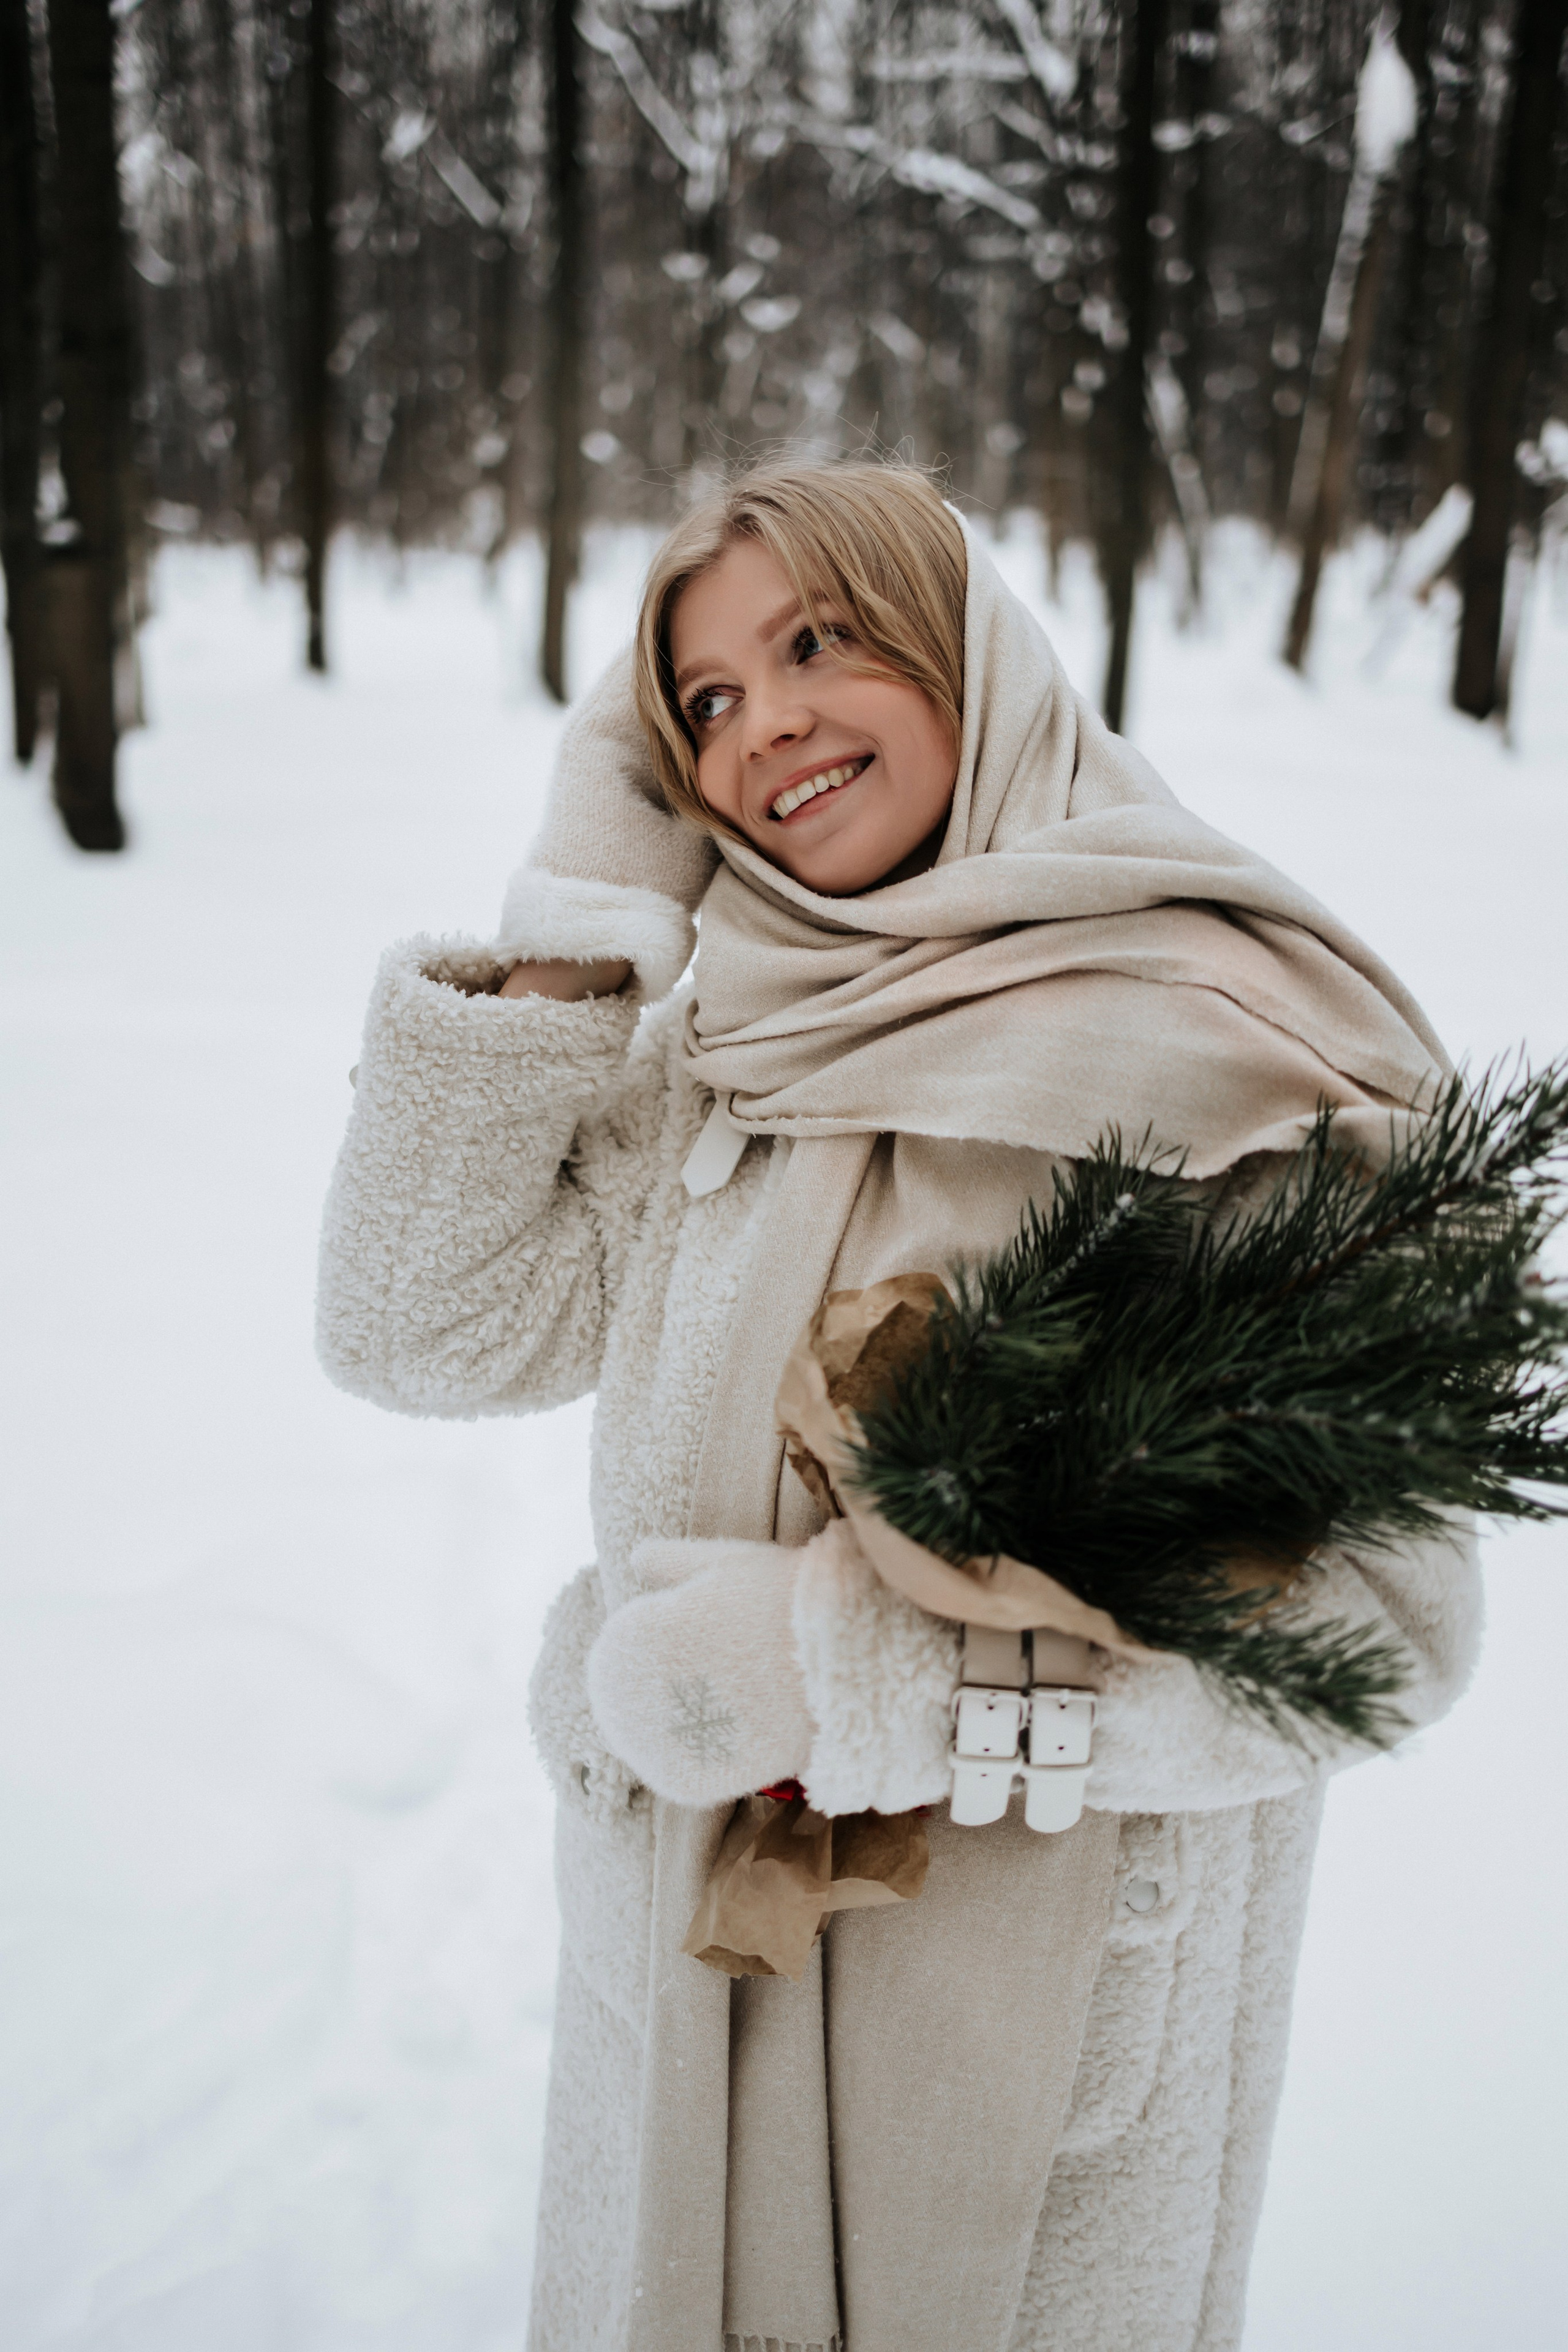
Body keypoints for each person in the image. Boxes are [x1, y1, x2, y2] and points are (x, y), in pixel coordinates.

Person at [317, 461, 1480, 2352]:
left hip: (1045, 2071)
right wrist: (574, 934)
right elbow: (418, 1330)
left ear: (964, 649)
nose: (762, 725)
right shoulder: (724, 1048)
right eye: (702, 702)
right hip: (693, 2002)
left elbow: (1382, 1637)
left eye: (819, 643)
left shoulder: (1230, 1050)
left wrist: (858, 1685)